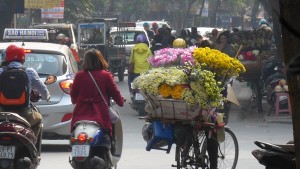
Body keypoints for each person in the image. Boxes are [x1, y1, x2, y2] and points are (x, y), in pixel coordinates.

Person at [70, 48, 124, 136]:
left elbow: (73, 97)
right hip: (100, 113)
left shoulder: (79, 76)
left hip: (81, 113)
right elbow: (115, 93)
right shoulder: (105, 75)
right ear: (100, 60)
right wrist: (121, 101)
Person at [0, 44, 50, 137]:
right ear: (23, 58)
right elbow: (43, 89)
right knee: (38, 119)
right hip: (24, 112)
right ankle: (33, 143)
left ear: (6, 57)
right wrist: (46, 96)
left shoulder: (1, 71)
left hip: (2, 111)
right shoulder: (29, 71)